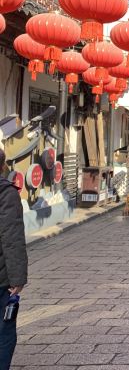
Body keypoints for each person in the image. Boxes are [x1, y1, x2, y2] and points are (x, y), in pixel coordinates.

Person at [0, 149, 27, 369]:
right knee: (4, 332)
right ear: (3, 166)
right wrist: (17, 278)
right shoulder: (6, 193)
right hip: (1, 279)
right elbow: (11, 238)